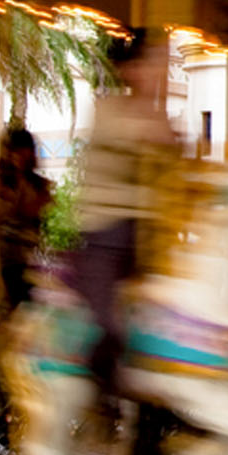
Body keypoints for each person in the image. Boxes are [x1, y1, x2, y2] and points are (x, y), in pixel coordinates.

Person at [65, 30, 178, 392]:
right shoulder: (108, 110)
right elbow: (132, 137)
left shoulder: (159, 118)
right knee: (109, 325)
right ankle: (101, 392)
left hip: (148, 239)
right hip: (104, 233)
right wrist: (159, 133)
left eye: (163, 64)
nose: (159, 72)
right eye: (152, 64)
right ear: (130, 70)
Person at [0, 128, 51, 312]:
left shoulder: (37, 184)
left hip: (30, 257)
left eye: (24, 149)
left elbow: (35, 209)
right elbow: (1, 213)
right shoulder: (0, 181)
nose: (19, 155)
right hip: (6, 257)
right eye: (14, 150)